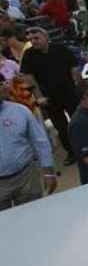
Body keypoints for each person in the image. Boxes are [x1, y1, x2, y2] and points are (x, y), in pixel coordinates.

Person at [19, 27, 81, 166]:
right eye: (31, 39)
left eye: (36, 38)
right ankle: (71, 152)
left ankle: (86, 146)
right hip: (49, 97)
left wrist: (77, 85)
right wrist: (39, 96)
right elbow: (29, 77)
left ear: (46, 37)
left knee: (78, 120)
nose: (34, 41)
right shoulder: (29, 55)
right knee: (61, 126)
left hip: (69, 92)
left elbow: (74, 67)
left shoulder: (60, 49)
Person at [0, 75, 57, 208]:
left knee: (33, 216)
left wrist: (48, 172)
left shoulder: (20, 111)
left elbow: (41, 142)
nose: (5, 87)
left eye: (3, 83)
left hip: (27, 177)